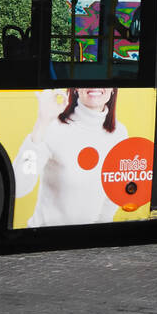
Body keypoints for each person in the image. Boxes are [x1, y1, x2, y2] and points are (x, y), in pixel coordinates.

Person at [13, 88, 126, 227]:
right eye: (87, 77)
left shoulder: (119, 133)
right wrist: (41, 122)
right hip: (46, 239)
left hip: (88, 241)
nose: (95, 84)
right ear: (76, 88)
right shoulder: (53, 127)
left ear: (113, 89)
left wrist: (99, 231)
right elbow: (18, 187)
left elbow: (113, 191)